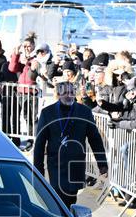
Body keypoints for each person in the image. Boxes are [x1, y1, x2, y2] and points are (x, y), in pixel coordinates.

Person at [33, 81, 108, 209]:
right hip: (56, 163)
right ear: (58, 94)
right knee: (58, 196)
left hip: (76, 163)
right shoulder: (47, 112)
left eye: (72, 92)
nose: (69, 96)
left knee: (71, 197)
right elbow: (40, 143)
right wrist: (38, 170)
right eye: (65, 93)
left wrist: (102, 163)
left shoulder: (84, 112)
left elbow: (94, 138)